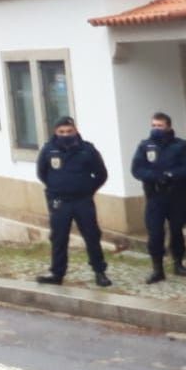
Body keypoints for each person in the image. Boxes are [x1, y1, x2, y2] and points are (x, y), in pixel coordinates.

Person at [35, 116, 112, 287]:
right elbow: (42, 173)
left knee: (92, 236)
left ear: (75, 131)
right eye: (62, 132)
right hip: (60, 201)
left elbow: (101, 174)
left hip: (82, 201)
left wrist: (87, 189)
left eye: (69, 131)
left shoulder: (87, 149)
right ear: (56, 132)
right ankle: (57, 273)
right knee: (58, 238)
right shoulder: (48, 150)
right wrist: (57, 187)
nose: (66, 134)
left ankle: (100, 272)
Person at [129, 111, 186, 283]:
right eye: (154, 125)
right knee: (155, 233)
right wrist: (155, 176)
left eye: (160, 126)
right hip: (155, 196)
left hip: (176, 195)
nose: (156, 129)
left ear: (168, 127)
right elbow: (137, 169)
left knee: (177, 231)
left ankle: (178, 263)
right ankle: (157, 268)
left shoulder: (180, 146)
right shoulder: (145, 146)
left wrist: (170, 175)